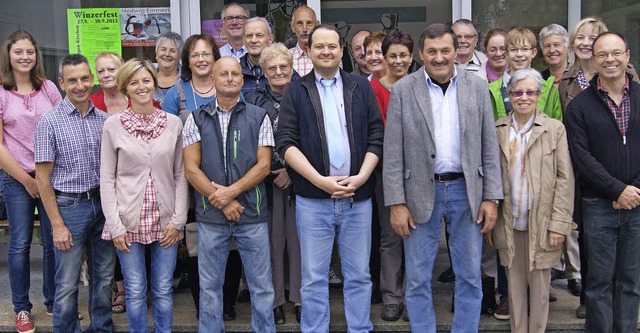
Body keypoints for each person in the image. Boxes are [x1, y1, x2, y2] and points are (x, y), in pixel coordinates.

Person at [383, 23, 502, 332]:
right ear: (421, 54)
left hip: (468, 191)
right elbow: (393, 151)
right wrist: (396, 202)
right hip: (420, 192)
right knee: (419, 277)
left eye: (445, 50)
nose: (439, 57)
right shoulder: (403, 90)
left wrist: (491, 196)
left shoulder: (477, 88)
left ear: (456, 52)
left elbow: (489, 145)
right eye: (432, 51)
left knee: (470, 275)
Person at [276, 24, 384, 333]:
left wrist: (362, 177)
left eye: (332, 46)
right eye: (319, 46)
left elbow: (377, 134)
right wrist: (320, 181)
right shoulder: (296, 90)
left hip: (356, 200)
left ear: (342, 51)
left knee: (359, 276)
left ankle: (360, 328)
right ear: (308, 51)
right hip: (313, 201)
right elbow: (285, 142)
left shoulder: (360, 87)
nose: (326, 51)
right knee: (313, 278)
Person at [182, 56, 276, 333]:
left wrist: (231, 194)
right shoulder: (196, 119)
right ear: (212, 79)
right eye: (223, 74)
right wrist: (221, 201)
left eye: (236, 74)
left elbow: (264, 165)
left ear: (242, 79)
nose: (230, 78)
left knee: (261, 285)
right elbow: (191, 169)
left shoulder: (259, 117)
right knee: (209, 286)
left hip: (252, 214)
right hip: (211, 216)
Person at [557, 17, 639, 319]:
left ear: (627, 56)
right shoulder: (580, 104)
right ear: (594, 57)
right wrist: (616, 189)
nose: (609, 59)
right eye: (602, 54)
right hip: (597, 204)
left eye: (616, 53)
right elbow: (581, 155)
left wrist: (633, 191)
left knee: (630, 283)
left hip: (637, 204)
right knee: (598, 283)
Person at [100, 58, 189, 333]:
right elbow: (107, 178)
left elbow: (180, 174)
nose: (141, 87)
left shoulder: (173, 123)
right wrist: (115, 225)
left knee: (163, 289)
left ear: (154, 83)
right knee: (136, 291)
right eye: (134, 82)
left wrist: (178, 220)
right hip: (127, 222)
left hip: (166, 222)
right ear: (125, 88)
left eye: (146, 80)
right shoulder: (113, 126)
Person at [34, 53, 116, 333]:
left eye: (84, 78)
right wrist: (56, 225)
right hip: (69, 208)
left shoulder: (105, 120)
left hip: (102, 207)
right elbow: (43, 179)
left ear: (92, 79)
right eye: (72, 80)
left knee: (103, 277)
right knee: (67, 282)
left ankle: (101, 327)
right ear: (61, 83)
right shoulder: (49, 122)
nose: (80, 85)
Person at [492, 68, 575, 333]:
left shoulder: (554, 129)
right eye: (518, 92)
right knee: (514, 291)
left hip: (542, 223)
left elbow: (565, 179)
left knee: (540, 290)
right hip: (509, 222)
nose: (524, 97)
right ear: (509, 95)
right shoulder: (498, 130)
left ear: (539, 95)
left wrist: (558, 224)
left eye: (530, 92)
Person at [0, 29, 61, 333]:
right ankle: (21, 308)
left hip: (52, 176)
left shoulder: (48, 88)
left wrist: (46, 179)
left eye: (30, 52)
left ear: (36, 56)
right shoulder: (0, 92)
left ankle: (53, 302)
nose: (25, 57)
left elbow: (61, 128)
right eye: (18, 51)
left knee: (53, 242)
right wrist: (27, 180)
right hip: (16, 178)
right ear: (8, 55)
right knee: (20, 244)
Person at [247, 42, 302, 325]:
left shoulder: (305, 92)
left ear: (292, 68)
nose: (279, 71)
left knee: (298, 241)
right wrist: (271, 170)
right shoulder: (255, 100)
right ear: (264, 71)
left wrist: (292, 172)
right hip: (267, 180)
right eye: (272, 68)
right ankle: (276, 300)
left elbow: (315, 138)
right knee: (273, 241)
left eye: (284, 66)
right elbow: (251, 139)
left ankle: (299, 297)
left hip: (302, 180)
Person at [369, 29, 413, 322]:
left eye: (403, 56)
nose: (398, 61)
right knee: (390, 237)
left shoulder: (421, 86)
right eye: (392, 55)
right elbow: (379, 132)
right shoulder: (374, 90)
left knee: (419, 239)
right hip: (386, 174)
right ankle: (392, 297)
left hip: (421, 176)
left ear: (412, 58)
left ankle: (414, 296)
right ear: (384, 57)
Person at [538, 23, 583, 298]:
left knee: (570, 215)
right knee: (550, 212)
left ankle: (575, 272)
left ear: (567, 47)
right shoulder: (540, 79)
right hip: (546, 154)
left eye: (557, 44)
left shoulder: (578, 77)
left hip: (575, 153)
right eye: (548, 46)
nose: (553, 50)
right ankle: (556, 265)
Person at [489, 27, 563, 121]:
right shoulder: (491, 91)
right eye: (513, 50)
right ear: (506, 54)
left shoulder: (549, 90)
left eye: (525, 49)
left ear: (533, 52)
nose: (519, 54)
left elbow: (557, 129)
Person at [162, 34, 220, 119]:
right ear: (188, 61)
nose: (201, 59)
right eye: (194, 55)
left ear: (215, 58)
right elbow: (167, 130)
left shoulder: (229, 89)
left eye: (206, 54)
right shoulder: (174, 94)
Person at [240, 17, 274, 99]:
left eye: (259, 35)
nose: (254, 40)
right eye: (249, 36)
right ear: (243, 40)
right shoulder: (235, 73)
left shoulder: (282, 71)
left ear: (270, 39)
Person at [154, 31, 184, 104]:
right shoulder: (148, 77)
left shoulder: (187, 79)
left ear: (179, 55)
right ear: (156, 53)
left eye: (173, 51)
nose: (167, 54)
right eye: (163, 49)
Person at [288, 5, 319, 76]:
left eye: (309, 23)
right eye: (300, 23)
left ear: (317, 25)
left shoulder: (327, 55)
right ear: (292, 27)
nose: (304, 29)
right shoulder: (285, 58)